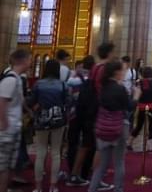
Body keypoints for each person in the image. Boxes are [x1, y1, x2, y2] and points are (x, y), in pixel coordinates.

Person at [67, 43, 115, 188]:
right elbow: (102, 91)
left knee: (86, 144)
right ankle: (96, 179)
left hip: (88, 110)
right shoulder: (104, 69)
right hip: (98, 112)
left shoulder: (95, 67)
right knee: (100, 147)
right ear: (109, 53)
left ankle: (75, 175)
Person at [88, 60, 140, 192]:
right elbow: (129, 107)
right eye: (122, 70)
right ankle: (118, 189)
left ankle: (92, 189)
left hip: (103, 127)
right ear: (116, 72)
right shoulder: (119, 89)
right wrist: (136, 96)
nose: (124, 73)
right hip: (118, 127)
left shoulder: (102, 87)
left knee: (101, 165)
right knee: (119, 162)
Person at [29, 59, 68, 192]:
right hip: (58, 120)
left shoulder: (38, 84)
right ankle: (53, 186)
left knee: (41, 152)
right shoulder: (62, 85)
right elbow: (68, 102)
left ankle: (38, 187)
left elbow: (31, 101)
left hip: (41, 119)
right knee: (56, 153)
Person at [0, 49, 32, 192]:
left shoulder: (18, 79)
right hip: (7, 130)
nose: (31, 62)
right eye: (29, 59)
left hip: (14, 127)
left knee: (10, 164)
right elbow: (1, 102)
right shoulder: (10, 79)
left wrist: (29, 110)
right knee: (3, 165)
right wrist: (4, 123)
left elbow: (20, 100)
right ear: (23, 61)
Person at [128, 67, 152, 152]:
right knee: (151, 126)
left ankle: (129, 143)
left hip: (142, 106)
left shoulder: (139, 83)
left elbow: (136, 92)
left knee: (138, 125)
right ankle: (149, 147)